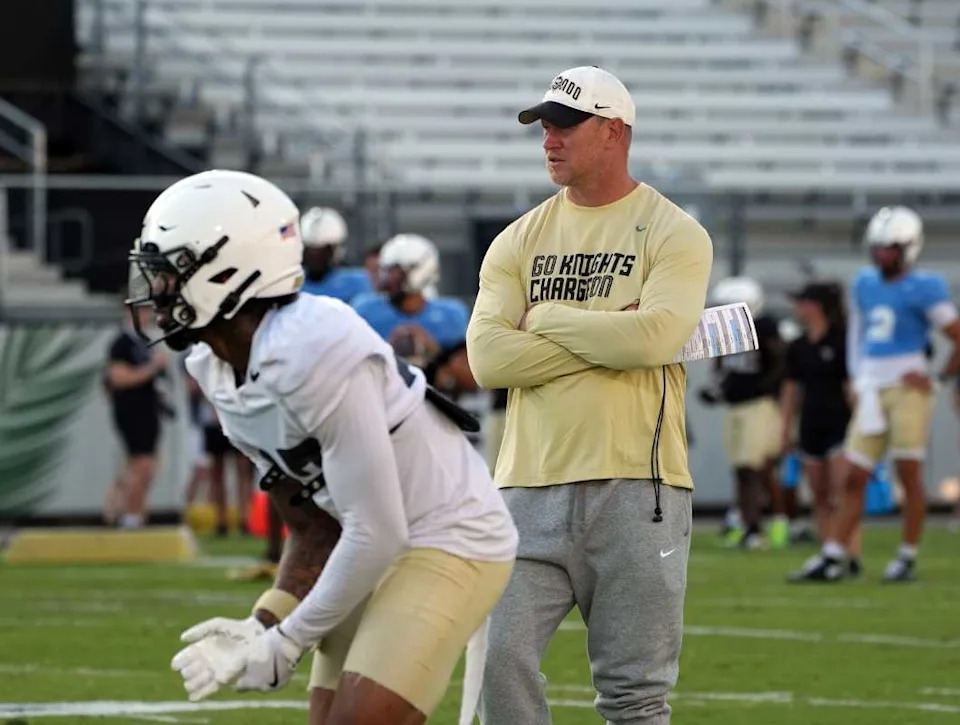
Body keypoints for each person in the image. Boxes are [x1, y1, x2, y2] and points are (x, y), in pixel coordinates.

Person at [126, 169, 516, 725]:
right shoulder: (213, 367)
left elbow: (379, 530)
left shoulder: (315, 346)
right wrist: (261, 624)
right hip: (368, 541)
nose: (157, 291)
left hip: (449, 537)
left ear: (231, 269)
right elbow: (314, 524)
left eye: (172, 273)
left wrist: (287, 640)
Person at [467, 66, 713, 724]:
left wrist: (544, 320)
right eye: (545, 127)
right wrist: (613, 329)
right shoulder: (517, 238)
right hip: (526, 484)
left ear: (613, 131)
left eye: (565, 125)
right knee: (495, 661)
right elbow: (488, 358)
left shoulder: (673, 231)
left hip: (640, 485)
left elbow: (656, 336)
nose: (549, 139)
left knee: (635, 694)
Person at [790, 206, 960, 582]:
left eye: (891, 248)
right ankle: (833, 554)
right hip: (872, 388)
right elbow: (858, 337)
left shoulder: (926, 285)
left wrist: (936, 375)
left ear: (909, 248)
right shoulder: (865, 283)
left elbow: (956, 335)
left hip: (907, 388)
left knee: (908, 474)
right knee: (852, 476)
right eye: (879, 248)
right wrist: (858, 378)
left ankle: (906, 556)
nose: (883, 255)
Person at [700, 277, 789, 550]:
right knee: (741, 468)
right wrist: (717, 390)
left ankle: (759, 526)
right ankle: (745, 523)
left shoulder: (764, 327)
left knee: (754, 467)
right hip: (737, 405)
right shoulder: (727, 332)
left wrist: (762, 389)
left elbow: (779, 364)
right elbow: (721, 364)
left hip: (758, 405)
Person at [780, 281, 861, 572]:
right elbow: (791, 390)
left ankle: (849, 554)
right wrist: (785, 427)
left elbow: (852, 386)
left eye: (802, 302)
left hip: (840, 423)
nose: (798, 308)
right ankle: (828, 553)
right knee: (820, 494)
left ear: (817, 306)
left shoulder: (842, 340)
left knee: (842, 492)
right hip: (810, 425)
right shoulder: (798, 346)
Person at [352, 233, 469, 369]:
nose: (389, 278)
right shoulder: (365, 309)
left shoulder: (452, 314)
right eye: (387, 270)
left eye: (397, 271)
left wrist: (437, 353)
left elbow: (468, 376)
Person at [104, 304, 168, 529]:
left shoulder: (144, 343)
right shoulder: (122, 344)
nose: (146, 315)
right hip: (133, 412)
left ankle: (135, 512)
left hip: (148, 412)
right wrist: (152, 368)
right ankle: (129, 515)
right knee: (140, 465)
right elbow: (118, 378)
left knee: (146, 468)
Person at [299, 206, 372, 303]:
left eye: (321, 251)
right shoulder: (291, 285)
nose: (315, 257)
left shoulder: (358, 282)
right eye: (310, 251)